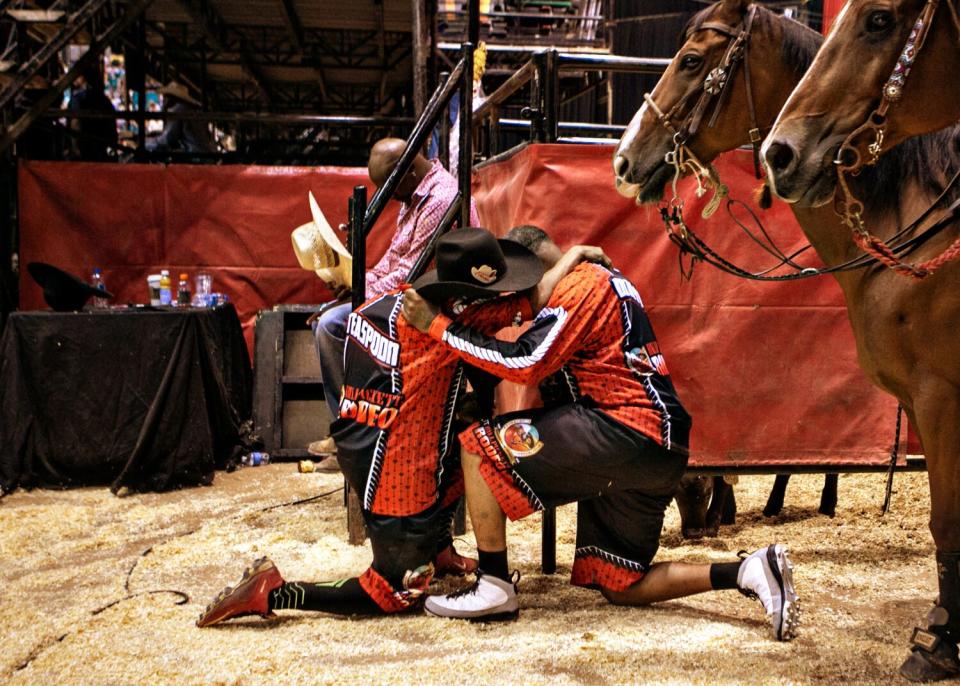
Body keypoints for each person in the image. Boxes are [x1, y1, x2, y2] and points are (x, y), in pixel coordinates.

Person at [401, 225, 801, 641]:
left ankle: (494, 585)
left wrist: (438, 327)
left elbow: (526, 363)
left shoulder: (579, 288)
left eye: (517, 287)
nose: (513, 299)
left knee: (480, 447)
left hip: (624, 427)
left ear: (537, 268)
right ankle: (749, 571)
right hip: (656, 445)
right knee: (620, 584)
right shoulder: (604, 279)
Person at [196, 229, 605, 626]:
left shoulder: (390, 302)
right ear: (466, 294)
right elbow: (533, 300)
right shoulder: (444, 319)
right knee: (393, 593)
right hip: (399, 482)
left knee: (467, 429)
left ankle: (438, 547)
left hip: (364, 446)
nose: (500, 297)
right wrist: (573, 256)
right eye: (491, 292)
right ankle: (277, 590)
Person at [307, 138, 480, 459]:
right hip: (411, 294)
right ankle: (355, 426)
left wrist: (358, 287)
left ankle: (353, 429)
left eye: (389, 186)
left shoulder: (439, 199)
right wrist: (353, 278)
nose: (387, 197)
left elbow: (408, 274)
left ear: (409, 173)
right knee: (331, 315)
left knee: (333, 325)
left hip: (433, 303)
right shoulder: (413, 196)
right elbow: (392, 261)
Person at [67, 63, 118, 161]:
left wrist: (75, 150)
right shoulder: (103, 99)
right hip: (100, 148)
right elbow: (112, 125)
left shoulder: (77, 99)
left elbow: (75, 124)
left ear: (84, 77)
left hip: (85, 148)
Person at [151, 81, 218, 154]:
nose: (163, 101)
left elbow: (168, 138)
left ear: (171, 98)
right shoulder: (190, 109)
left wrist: (147, 141)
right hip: (206, 154)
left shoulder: (178, 111)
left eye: (165, 97)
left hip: (194, 156)